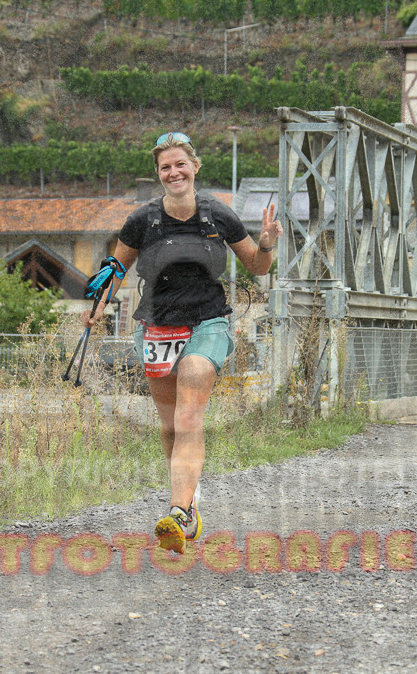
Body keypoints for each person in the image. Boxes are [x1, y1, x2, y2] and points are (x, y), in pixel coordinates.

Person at [81, 132, 282, 553]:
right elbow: (117, 269)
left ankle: (178, 513)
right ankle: (189, 501)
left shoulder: (218, 216)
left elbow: (257, 267)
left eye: (180, 164)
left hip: (208, 321)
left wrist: (266, 244)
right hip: (156, 326)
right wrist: (98, 305)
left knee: (190, 413)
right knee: (171, 424)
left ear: (195, 167)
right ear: (158, 175)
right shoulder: (142, 220)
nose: (174, 172)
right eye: (165, 167)